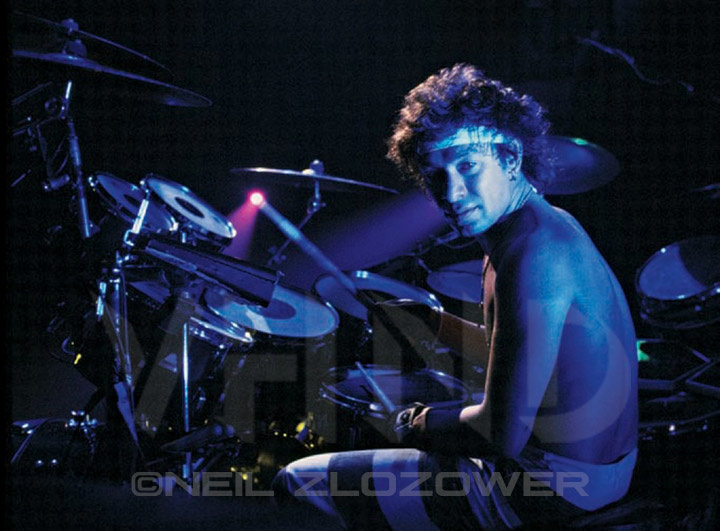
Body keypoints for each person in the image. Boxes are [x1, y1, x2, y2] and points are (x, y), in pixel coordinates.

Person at [272, 63, 638, 529]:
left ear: (509, 157)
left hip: (549, 487)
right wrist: (433, 324)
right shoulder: (536, 228)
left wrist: (417, 422)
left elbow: (501, 435)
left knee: (295, 481)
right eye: (435, 174)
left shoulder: (535, 253)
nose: (452, 192)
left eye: (468, 166)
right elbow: (524, 358)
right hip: (596, 475)